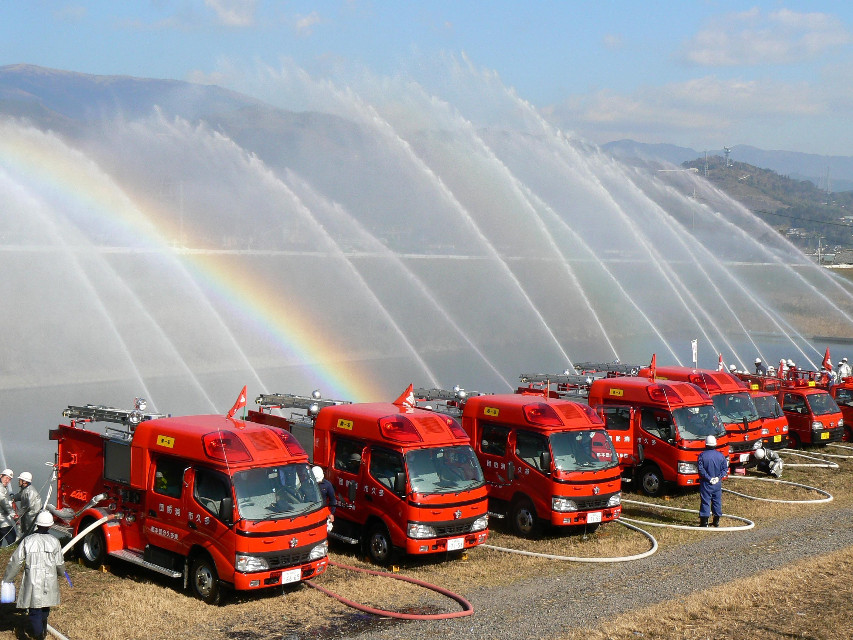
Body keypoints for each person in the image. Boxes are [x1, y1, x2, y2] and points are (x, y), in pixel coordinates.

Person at [3, 511, 65, 640]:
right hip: (49, 580)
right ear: (50, 526)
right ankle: (41, 632)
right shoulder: (54, 541)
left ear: (37, 524)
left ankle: (39, 635)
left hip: (33, 580)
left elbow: (16, 561)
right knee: (44, 607)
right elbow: (59, 563)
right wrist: (61, 573)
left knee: (34, 610)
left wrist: (8, 579)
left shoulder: (28, 540)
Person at [697, 435, 728, 527]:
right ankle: (716, 521)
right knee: (717, 501)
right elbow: (725, 469)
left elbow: (701, 469)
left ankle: (704, 522)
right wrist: (718, 478)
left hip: (706, 483)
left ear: (705, 444)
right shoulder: (720, 455)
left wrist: (709, 478)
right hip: (717, 484)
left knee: (705, 501)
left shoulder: (702, 455)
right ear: (715, 444)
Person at [13, 472, 42, 539]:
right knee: (27, 533)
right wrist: (13, 498)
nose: (18, 481)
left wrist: (17, 514)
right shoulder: (25, 489)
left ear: (24, 481)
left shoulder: (30, 491)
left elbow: (28, 506)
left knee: (30, 534)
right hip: (28, 516)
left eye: (20, 480)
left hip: (32, 517)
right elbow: (20, 495)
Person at [0, 470, 16, 547]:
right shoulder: (0, 488)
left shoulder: (3, 487)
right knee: (13, 541)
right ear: (1, 476)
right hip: (2, 520)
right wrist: (13, 514)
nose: (7, 481)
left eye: (9, 479)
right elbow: (3, 501)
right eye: (6, 478)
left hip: (2, 519)